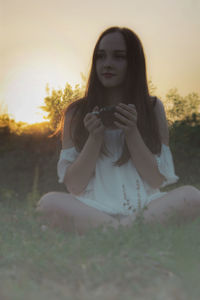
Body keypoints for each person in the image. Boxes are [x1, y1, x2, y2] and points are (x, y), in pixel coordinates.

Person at [36, 26, 200, 234]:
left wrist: (132, 132)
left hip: (146, 208)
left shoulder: (152, 108)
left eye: (118, 57)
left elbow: (156, 180)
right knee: (47, 204)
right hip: (93, 210)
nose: (107, 64)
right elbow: (75, 187)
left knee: (193, 196)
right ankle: (128, 232)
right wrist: (94, 139)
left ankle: (111, 232)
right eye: (101, 57)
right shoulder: (76, 112)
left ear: (133, 63)